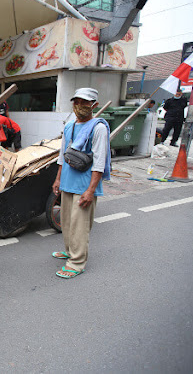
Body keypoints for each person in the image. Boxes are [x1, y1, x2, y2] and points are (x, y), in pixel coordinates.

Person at [51, 87, 110, 279]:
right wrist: (58, 178)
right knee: (67, 222)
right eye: (76, 101)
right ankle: (70, 250)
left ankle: (76, 263)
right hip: (68, 182)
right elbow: (62, 155)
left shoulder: (98, 128)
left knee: (79, 226)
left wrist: (90, 191)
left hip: (85, 185)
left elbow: (99, 162)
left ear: (94, 105)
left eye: (84, 102)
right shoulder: (70, 126)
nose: (79, 106)